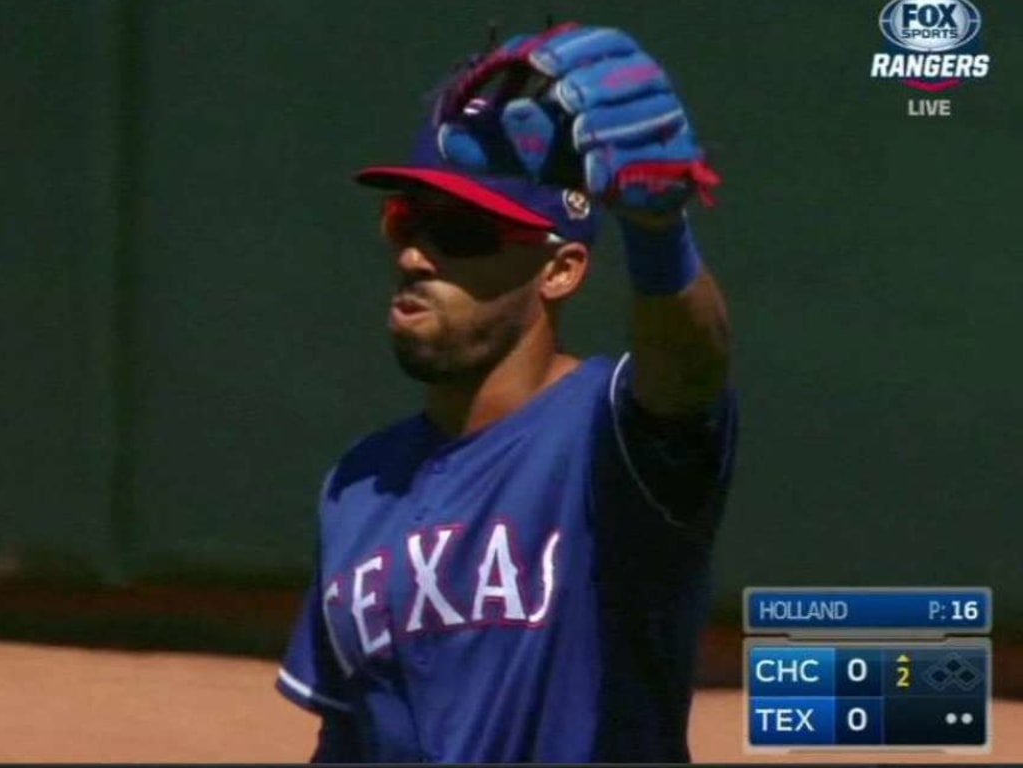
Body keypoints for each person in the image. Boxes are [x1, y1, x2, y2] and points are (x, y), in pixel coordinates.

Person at [274, 22, 740, 763]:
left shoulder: (612, 438)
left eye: (460, 230)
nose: (416, 255)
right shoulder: (358, 487)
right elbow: (348, 738)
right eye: (407, 220)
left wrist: (658, 235)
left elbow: (689, 373)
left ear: (560, 271)